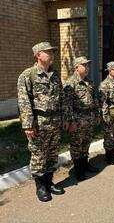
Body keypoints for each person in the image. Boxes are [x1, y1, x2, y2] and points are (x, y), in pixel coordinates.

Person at [17, 42, 65, 202]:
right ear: (38, 55)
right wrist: (28, 125)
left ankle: (49, 182)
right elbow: (24, 102)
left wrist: (64, 118)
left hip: (55, 122)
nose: (51, 55)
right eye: (48, 52)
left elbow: (61, 99)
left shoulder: (55, 74)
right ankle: (40, 187)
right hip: (39, 123)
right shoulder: (27, 75)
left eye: (52, 52)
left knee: (52, 154)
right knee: (38, 155)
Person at [62, 56, 100, 181]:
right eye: (84, 65)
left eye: (87, 65)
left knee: (86, 142)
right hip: (77, 119)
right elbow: (67, 105)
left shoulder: (89, 82)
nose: (87, 67)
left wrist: (96, 114)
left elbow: (94, 100)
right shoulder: (70, 83)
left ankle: (85, 164)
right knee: (76, 145)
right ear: (76, 68)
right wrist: (70, 121)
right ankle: (78, 169)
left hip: (89, 117)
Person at [99, 61, 114, 164]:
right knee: (109, 134)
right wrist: (105, 116)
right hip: (109, 111)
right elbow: (103, 102)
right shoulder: (104, 84)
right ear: (110, 70)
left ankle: (113, 152)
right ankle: (109, 155)